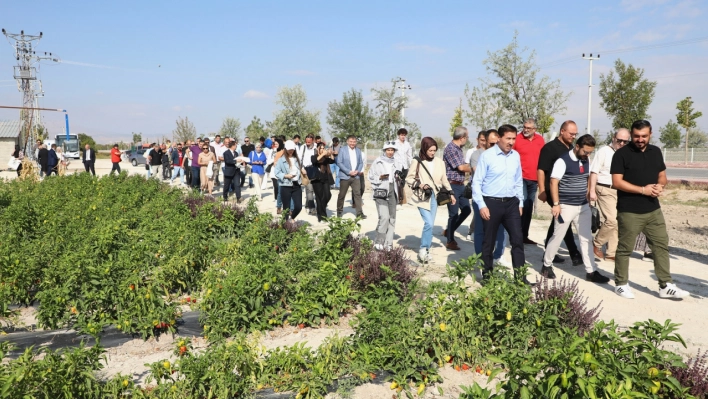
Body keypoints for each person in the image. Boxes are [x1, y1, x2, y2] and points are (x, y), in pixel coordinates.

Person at [610, 119, 689, 299]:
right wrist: (643, 190)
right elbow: (617, 182)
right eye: (636, 136)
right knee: (625, 249)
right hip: (629, 211)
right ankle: (621, 284)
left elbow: (662, 176)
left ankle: (665, 285)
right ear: (631, 134)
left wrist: (660, 186)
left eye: (644, 136)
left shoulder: (656, 152)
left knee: (661, 246)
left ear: (650, 134)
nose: (640, 139)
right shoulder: (621, 154)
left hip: (653, 210)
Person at [542, 134, 611, 284]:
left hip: (583, 206)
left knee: (586, 239)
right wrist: (556, 204)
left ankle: (591, 271)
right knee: (557, 237)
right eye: (586, 151)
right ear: (577, 146)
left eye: (590, 152)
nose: (588, 155)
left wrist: (588, 195)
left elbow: (586, 178)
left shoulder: (586, 159)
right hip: (565, 206)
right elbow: (554, 182)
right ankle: (547, 265)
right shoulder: (563, 161)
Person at [472, 124, 530, 285]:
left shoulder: (515, 156)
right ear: (499, 138)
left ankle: (520, 278)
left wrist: (520, 202)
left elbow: (518, 180)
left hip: (511, 204)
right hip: (491, 202)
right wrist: (482, 205)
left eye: (513, 139)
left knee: (518, 240)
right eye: (508, 138)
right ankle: (488, 276)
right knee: (489, 241)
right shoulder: (487, 156)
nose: (511, 142)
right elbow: (476, 183)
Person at [537, 121, 582, 265]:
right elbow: (541, 170)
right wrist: (542, 190)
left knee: (560, 221)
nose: (573, 137)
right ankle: (574, 253)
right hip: (553, 190)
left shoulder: (572, 148)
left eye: (575, 134)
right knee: (563, 219)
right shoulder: (549, 148)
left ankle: (549, 252)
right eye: (571, 134)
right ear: (562, 131)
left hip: (568, 190)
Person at [406, 137, 454, 264]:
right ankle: (423, 250)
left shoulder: (440, 162)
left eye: (434, 150)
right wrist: (420, 184)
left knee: (430, 225)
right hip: (422, 197)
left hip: (434, 196)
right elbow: (409, 178)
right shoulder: (417, 161)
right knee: (429, 223)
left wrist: (451, 192)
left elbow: (444, 179)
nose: (433, 153)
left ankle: (426, 250)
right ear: (424, 148)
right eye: (430, 150)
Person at [589, 128, 630, 261]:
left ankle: (612, 252)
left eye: (625, 141)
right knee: (611, 220)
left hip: (620, 190)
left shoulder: (625, 153)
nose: (622, 143)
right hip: (604, 188)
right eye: (619, 140)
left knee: (617, 221)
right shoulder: (604, 151)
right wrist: (592, 190)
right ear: (613, 138)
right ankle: (596, 244)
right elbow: (594, 172)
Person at [469, 130, 506, 263]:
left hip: (499, 199)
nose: (494, 145)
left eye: (497, 142)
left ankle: (498, 256)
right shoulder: (477, 155)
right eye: (491, 142)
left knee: (501, 230)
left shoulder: (504, 155)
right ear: (484, 141)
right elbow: (479, 176)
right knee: (480, 229)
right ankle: (481, 257)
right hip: (481, 197)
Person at [513, 118, 545, 245]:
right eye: (524, 127)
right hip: (521, 178)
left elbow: (543, 157)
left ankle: (524, 235)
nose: (525, 130)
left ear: (535, 129)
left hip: (535, 179)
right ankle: (516, 235)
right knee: (522, 205)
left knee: (529, 207)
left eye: (529, 128)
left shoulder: (540, 140)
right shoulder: (517, 139)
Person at [369, 141, 405, 250]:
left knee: (392, 218)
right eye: (388, 150)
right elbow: (370, 176)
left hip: (393, 190)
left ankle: (388, 243)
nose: (390, 152)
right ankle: (379, 241)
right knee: (384, 217)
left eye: (392, 150)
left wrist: (400, 177)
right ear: (385, 151)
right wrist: (379, 178)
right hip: (380, 190)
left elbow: (401, 177)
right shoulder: (378, 162)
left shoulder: (398, 162)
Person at [442, 126, 471, 250]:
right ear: (462, 137)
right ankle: (450, 240)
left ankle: (449, 230)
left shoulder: (459, 149)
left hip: (460, 185)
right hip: (452, 185)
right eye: (467, 137)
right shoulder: (451, 149)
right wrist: (478, 168)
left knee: (466, 209)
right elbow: (461, 167)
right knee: (453, 214)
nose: (467, 140)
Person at [336, 135, 366, 219]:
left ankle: (359, 213)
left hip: (356, 176)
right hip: (345, 176)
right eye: (351, 142)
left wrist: (357, 171)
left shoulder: (358, 150)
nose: (352, 143)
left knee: (357, 194)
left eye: (354, 142)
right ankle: (339, 211)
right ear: (347, 142)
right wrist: (348, 172)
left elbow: (361, 163)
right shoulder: (342, 150)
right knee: (342, 195)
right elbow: (339, 162)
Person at [465, 130, 487, 241]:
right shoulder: (473, 153)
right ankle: (472, 231)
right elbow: (472, 169)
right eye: (482, 140)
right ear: (477, 140)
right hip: (476, 186)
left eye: (485, 140)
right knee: (478, 211)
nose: (484, 143)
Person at [275, 140, 303, 220]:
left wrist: (303, 170)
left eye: (292, 149)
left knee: (298, 206)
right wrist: (285, 175)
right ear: (285, 149)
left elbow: (300, 169)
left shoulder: (297, 159)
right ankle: (285, 225)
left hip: (296, 184)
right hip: (285, 185)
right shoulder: (281, 160)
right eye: (289, 149)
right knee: (286, 208)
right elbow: (277, 172)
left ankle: (291, 218)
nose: (291, 151)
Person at [311, 142, 335, 222]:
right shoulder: (314, 156)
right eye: (321, 148)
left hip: (326, 179)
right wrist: (322, 154)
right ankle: (322, 216)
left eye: (323, 148)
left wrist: (331, 153)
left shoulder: (326, 158)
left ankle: (320, 209)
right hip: (317, 180)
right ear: (318, 149)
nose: (323, 150)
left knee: (328, 195)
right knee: (319, 197)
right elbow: (315, 161)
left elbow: (332, 161)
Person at [299, 134, 318, 216]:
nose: (307, 143)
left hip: (315, 170)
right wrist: (302, 168)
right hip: (305, 170)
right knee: (309, 189)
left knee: (316, 190)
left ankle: (309, 204)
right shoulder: (302, 147)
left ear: (313, 141)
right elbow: (299, 159)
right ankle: (312, 208)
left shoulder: (316, 147)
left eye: (309, 142)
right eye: (306, 142)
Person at [394, 128, 413, 206]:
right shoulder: (395, 143)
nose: (403, 137)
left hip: (404, 166)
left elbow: (409, 156)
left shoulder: (407, 144)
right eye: (401, 135)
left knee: (402, 183)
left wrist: (412, 165)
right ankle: (396, 200)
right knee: (396, 183)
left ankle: (400, 199)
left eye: (404, 135)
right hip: (396, 166)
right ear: (399, 135)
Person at [267, 139, 285, 214]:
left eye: (277, 144)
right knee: (276, 187)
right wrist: (274, 160)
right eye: (275, 144)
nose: (276, 145)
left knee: (282, 189)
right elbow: (268, 161)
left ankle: (281, 203)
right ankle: (278, 203)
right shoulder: (272, 151)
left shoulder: (284, 151)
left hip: (282, 172)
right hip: (274, 172)